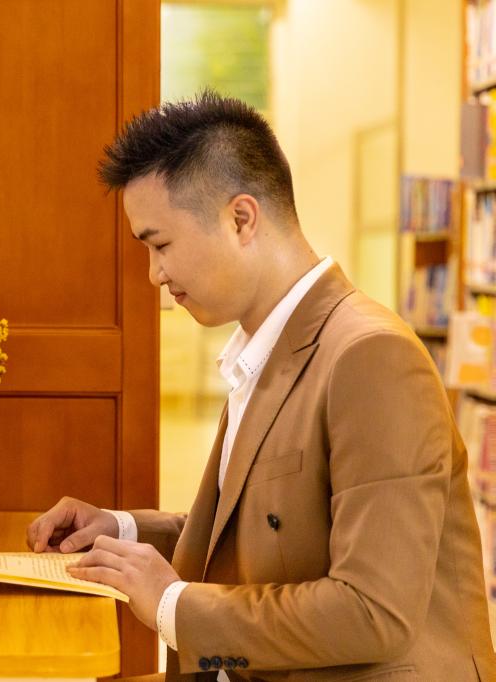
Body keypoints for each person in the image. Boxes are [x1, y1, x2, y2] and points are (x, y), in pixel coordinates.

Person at [27, 91, 496, 681]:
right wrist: (121, 531)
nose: (154, 274)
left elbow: (373, 612)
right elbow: (270, 535)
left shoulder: (371, 356)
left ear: (241, 219)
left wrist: (171, 604)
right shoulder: (272, 345)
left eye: (161, 245)